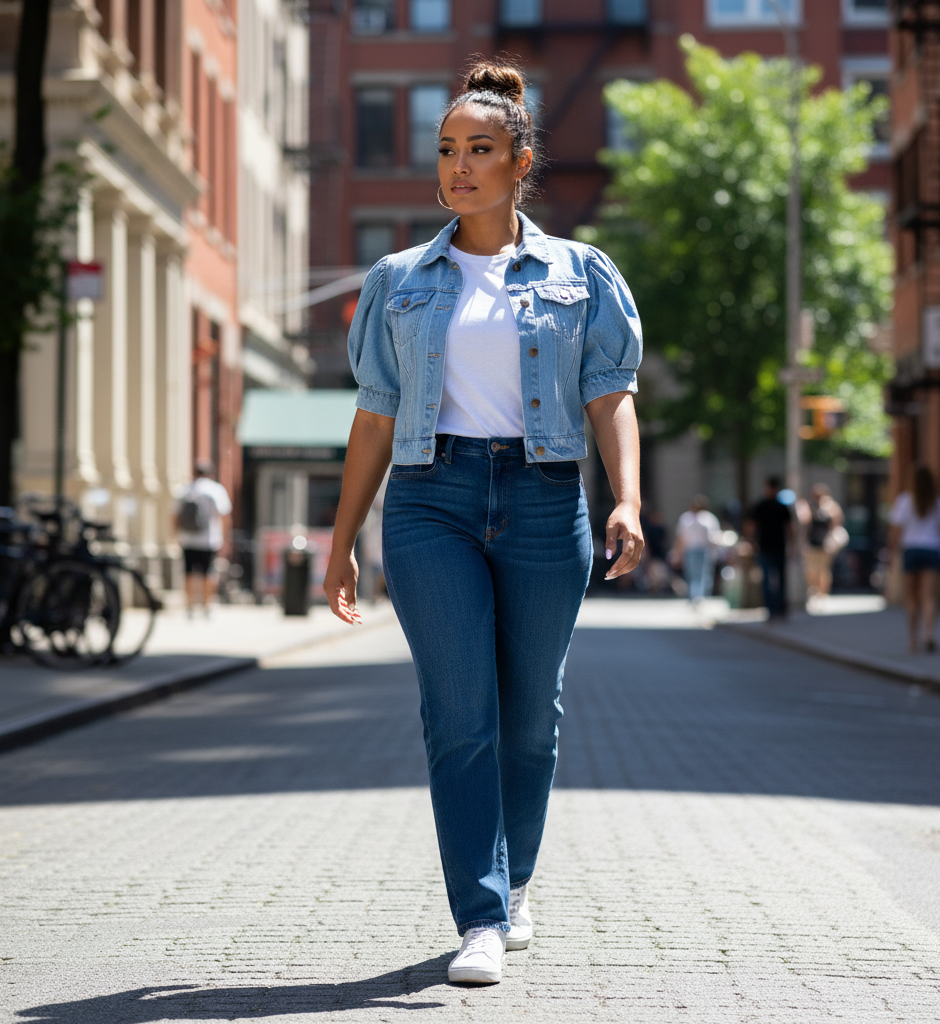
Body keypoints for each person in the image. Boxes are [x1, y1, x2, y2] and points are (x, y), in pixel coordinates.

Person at [321, 60, 643, 986]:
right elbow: (376, 415)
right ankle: (482, 915)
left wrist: (623, 496)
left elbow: (610, 392)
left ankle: (516, 879)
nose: (458, 167)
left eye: (480, 150)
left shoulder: (582, 273)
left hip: (545, 498)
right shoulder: (399, 281)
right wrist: (341, 542)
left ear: (520, 161)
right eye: (447, 150)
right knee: (459, 711)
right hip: (432, 500)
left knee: (530, 718)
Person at [889, 463, 940, 653]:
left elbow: (896, 532)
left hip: (911, 550)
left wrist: (892, 554)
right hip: (933, 549)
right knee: (929, 596)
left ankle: (913, 639)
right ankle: (929, 633)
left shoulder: (903, 501)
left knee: (911, 597)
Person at [175, 460, 232, 617]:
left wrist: (174, 535)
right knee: (208, 573)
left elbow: (174, 516)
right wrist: (225, 537)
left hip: (187, 539)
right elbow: (224, 515)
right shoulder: (215, 490)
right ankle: (207, 606)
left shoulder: (184, 490)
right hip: (209, 539)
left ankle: (189, 606)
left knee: (188, 573)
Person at [745, 476, 793, 618]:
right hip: (770, 547)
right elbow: (789, 528)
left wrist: (750, 540)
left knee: (771, 580)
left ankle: (775, 609)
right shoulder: (774, 506)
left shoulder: (771, 505)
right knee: (775, 580)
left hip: (772, 547)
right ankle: (776, 609)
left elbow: (750, 526)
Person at [795, 483, 844, 602]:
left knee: (823, 570)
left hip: (825, 544)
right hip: (812, 543)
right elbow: (804, 523)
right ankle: (814, 592)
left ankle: (822, 595)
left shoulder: (831, 506)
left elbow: (837, 522)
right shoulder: (810, 506)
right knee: (811, 570)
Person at [673, 495, 720, 605]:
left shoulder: (707, 518)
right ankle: (695, 596)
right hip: (690, 550)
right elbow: (680, 537)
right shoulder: (686, 518)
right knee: (692, 573)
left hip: (703, 550)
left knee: (703, 574)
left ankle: (700, 596)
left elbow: (713, 537)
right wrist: (678, 552)